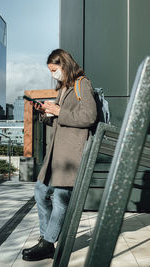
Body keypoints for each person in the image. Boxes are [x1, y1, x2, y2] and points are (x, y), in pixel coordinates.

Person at [22, 49, 97, 261]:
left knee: (62, 198)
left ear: (64, 65)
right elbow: (61, 119)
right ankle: (47, 238)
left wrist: (58, 111)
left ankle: (47, 243)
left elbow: (89, 116)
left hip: (71, 153)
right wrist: (45, 113)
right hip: (57, 153)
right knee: (40, 191)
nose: (53, 74)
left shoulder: (82, 84)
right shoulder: (64, 87)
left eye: (54, 70)